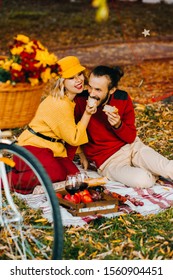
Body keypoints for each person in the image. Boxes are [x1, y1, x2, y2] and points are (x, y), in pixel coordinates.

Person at [73, 65, 173, 189]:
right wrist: (81, 154)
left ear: (111, 90)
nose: (91, 94)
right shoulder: (80, 101)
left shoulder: (122, 98)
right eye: (90, 87)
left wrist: (118, 125)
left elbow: (131, 137)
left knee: (169, 167)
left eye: (98, 90)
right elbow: (74, 132)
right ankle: (152, 173)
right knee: (143, 180)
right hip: (108, 161)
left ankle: (154, 169)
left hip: (132, 147)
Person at [12, 56, 96, 194]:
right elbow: (73, 138)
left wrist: (80, 153)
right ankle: (7, 178)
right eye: (71, 77)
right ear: (62, 82)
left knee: (72, 175)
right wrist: (87, 113)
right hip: (30, 148)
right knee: (55, 174)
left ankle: (31, 173)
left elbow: (68, 128)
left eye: (79, 74)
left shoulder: (68, 100)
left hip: (51, 148)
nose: (79, 80)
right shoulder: (60, 104)